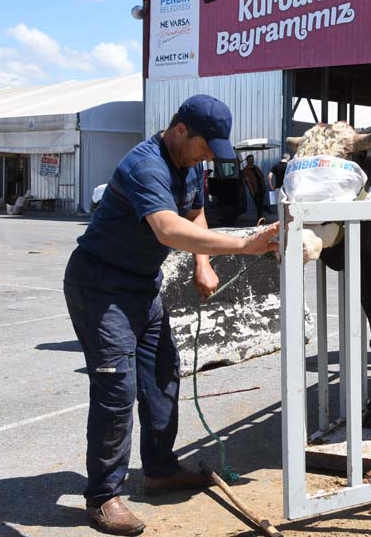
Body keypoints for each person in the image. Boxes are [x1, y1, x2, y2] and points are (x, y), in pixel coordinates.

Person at [63, 95, 279, 535]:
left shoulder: (191, 165)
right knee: (116, 391)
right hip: (100, 286)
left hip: (143, 286)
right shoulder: (145, 165)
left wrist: (203, 261)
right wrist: (245, 246)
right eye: (204, 146)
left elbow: (194, 212)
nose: (207, 157)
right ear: (181, 130)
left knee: (163, 376)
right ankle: (103, 496)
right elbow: (166, 227)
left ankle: (159, 470)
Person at [241, 155, 267, 221]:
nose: (251, 160)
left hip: (261, 188)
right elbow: (247, 181)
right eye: (250, 159)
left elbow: (262, 176)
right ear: (247, 160)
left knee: (260, 205)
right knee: (258, 205)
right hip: (254, 190)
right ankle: (260, 219)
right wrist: (250, 190)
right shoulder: (245, 170)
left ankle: (260, 219)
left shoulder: (256, 168)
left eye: (252, 159)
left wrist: (264, 185)